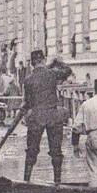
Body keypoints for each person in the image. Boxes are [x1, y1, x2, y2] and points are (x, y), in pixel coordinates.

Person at [22, 49, 70, 183]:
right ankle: (57, 181)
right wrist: (58, 61)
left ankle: (26, 180)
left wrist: (24, 110)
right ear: (43, 60)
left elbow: (28, 102)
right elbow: (67, 71)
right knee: (56, 151)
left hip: (36, 117)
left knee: (31, 150)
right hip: (53, 117)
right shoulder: (52, 74)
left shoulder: (28, 80)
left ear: (32, 63)